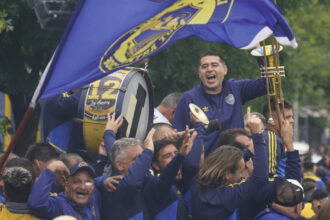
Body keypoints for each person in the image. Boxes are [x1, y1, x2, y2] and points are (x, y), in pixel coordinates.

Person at [174, 51, 266, 157]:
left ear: (225, 70)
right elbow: (179, 138)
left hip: (237, 164)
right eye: (204, 66)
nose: (209, 69)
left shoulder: (236, 89)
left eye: (214, 65)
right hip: (204, 169)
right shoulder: (188, 99)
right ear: (199, 73)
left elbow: (268, 84)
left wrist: (259, 52)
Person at [191, 109, 268, 219]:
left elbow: (231, 163)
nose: (242, 175)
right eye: (241, 171)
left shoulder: (196, 185)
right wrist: (257, 136)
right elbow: (260, 179)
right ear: (227, 174)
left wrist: (249, 152)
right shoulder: (227, 197)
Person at [28, 161, 100, 220]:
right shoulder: (58, 205)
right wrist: (50, 169)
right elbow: (36, 203)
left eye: (88, 182)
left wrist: (104, 181)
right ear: (66, 184)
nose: (83, 187)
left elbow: (100, 182)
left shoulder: (93, 197)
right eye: (76, 181)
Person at [41, 90, 82, 155]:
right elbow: (63, 105)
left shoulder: (69, 91)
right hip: (57, 148)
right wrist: (83, 90)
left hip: (73, 147)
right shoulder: (54, 89)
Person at [262, 99, 294, 177]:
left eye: (292, 117)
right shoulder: (271, 139)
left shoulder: (277, 138)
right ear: (272, 120)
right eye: (287, 117)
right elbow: (270, 178)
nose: (292, 120)